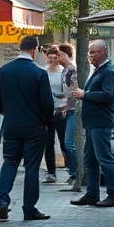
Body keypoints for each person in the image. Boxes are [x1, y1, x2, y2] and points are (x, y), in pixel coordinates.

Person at [0, 35, 55, 222]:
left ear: (20, 48)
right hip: (34, 127)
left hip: (12, 126)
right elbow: (47, 104)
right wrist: (47, 124)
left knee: (9, 162)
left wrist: (8, 112)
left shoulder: (4, 71)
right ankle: (29, 208)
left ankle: (2, 202)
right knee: (31, 167)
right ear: (34, 50)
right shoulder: (39, 73)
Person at [70, 38, 114, 208]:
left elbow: (106, 95)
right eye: (89, 52)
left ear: (103, 52)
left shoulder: (108, 71)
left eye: (93, 52)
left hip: (101, 122)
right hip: (92, 123)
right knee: (90, 158)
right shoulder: (99, 70)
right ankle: (92, 193)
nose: (89, 55)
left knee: (105, 158)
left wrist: (85, 94)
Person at [40, 45, 77, 185]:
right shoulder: (42, 72)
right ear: (46, 58)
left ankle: (71, 170)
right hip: (47, 110)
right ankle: (51, 172)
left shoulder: (64, 71)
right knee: (48, 142)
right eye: (50, 58)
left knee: (64, 142)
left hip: (62, 109)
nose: (53, 60)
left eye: (55, 57)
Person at [56, 43, 79, 187]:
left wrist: (66, 104)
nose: (56, 58)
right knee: (67, 144)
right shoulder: (65, 71)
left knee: (69, 143)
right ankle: (73, 172)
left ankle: (77, 172)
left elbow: (74, 91)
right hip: (69, 109)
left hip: (74, 111)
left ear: (64, 55)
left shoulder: (72, 71)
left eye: (58, 54)